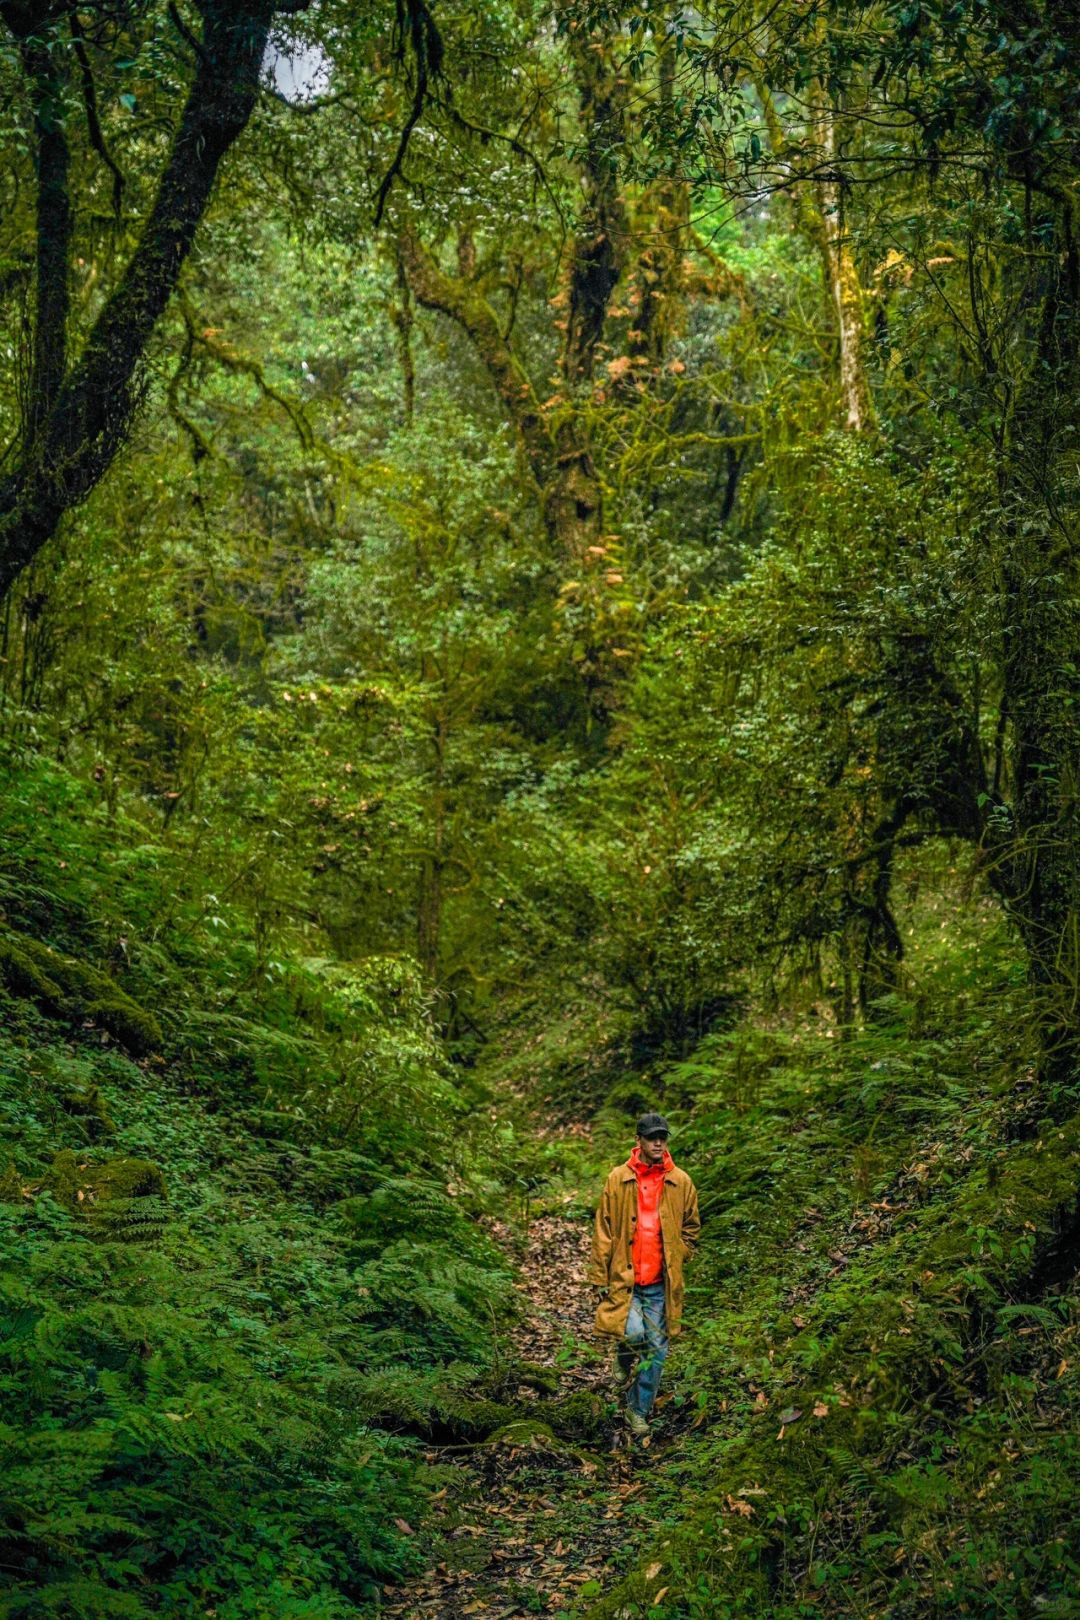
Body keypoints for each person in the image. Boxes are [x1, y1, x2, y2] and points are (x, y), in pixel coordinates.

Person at [587, 1112, 701, 1435]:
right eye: (652, 1137)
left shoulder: (681, 1182)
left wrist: (681, 1253)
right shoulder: (618, 1179)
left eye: (662, 1137)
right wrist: (599, 1276)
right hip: (626, 1281)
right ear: (638, 1141)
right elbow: (603, 1229)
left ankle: (637, 1410)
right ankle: (623, 1359)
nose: (658, 1142)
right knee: (635, 1334)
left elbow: (692, 1228)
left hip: (661, 1285)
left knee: (658, 1349)